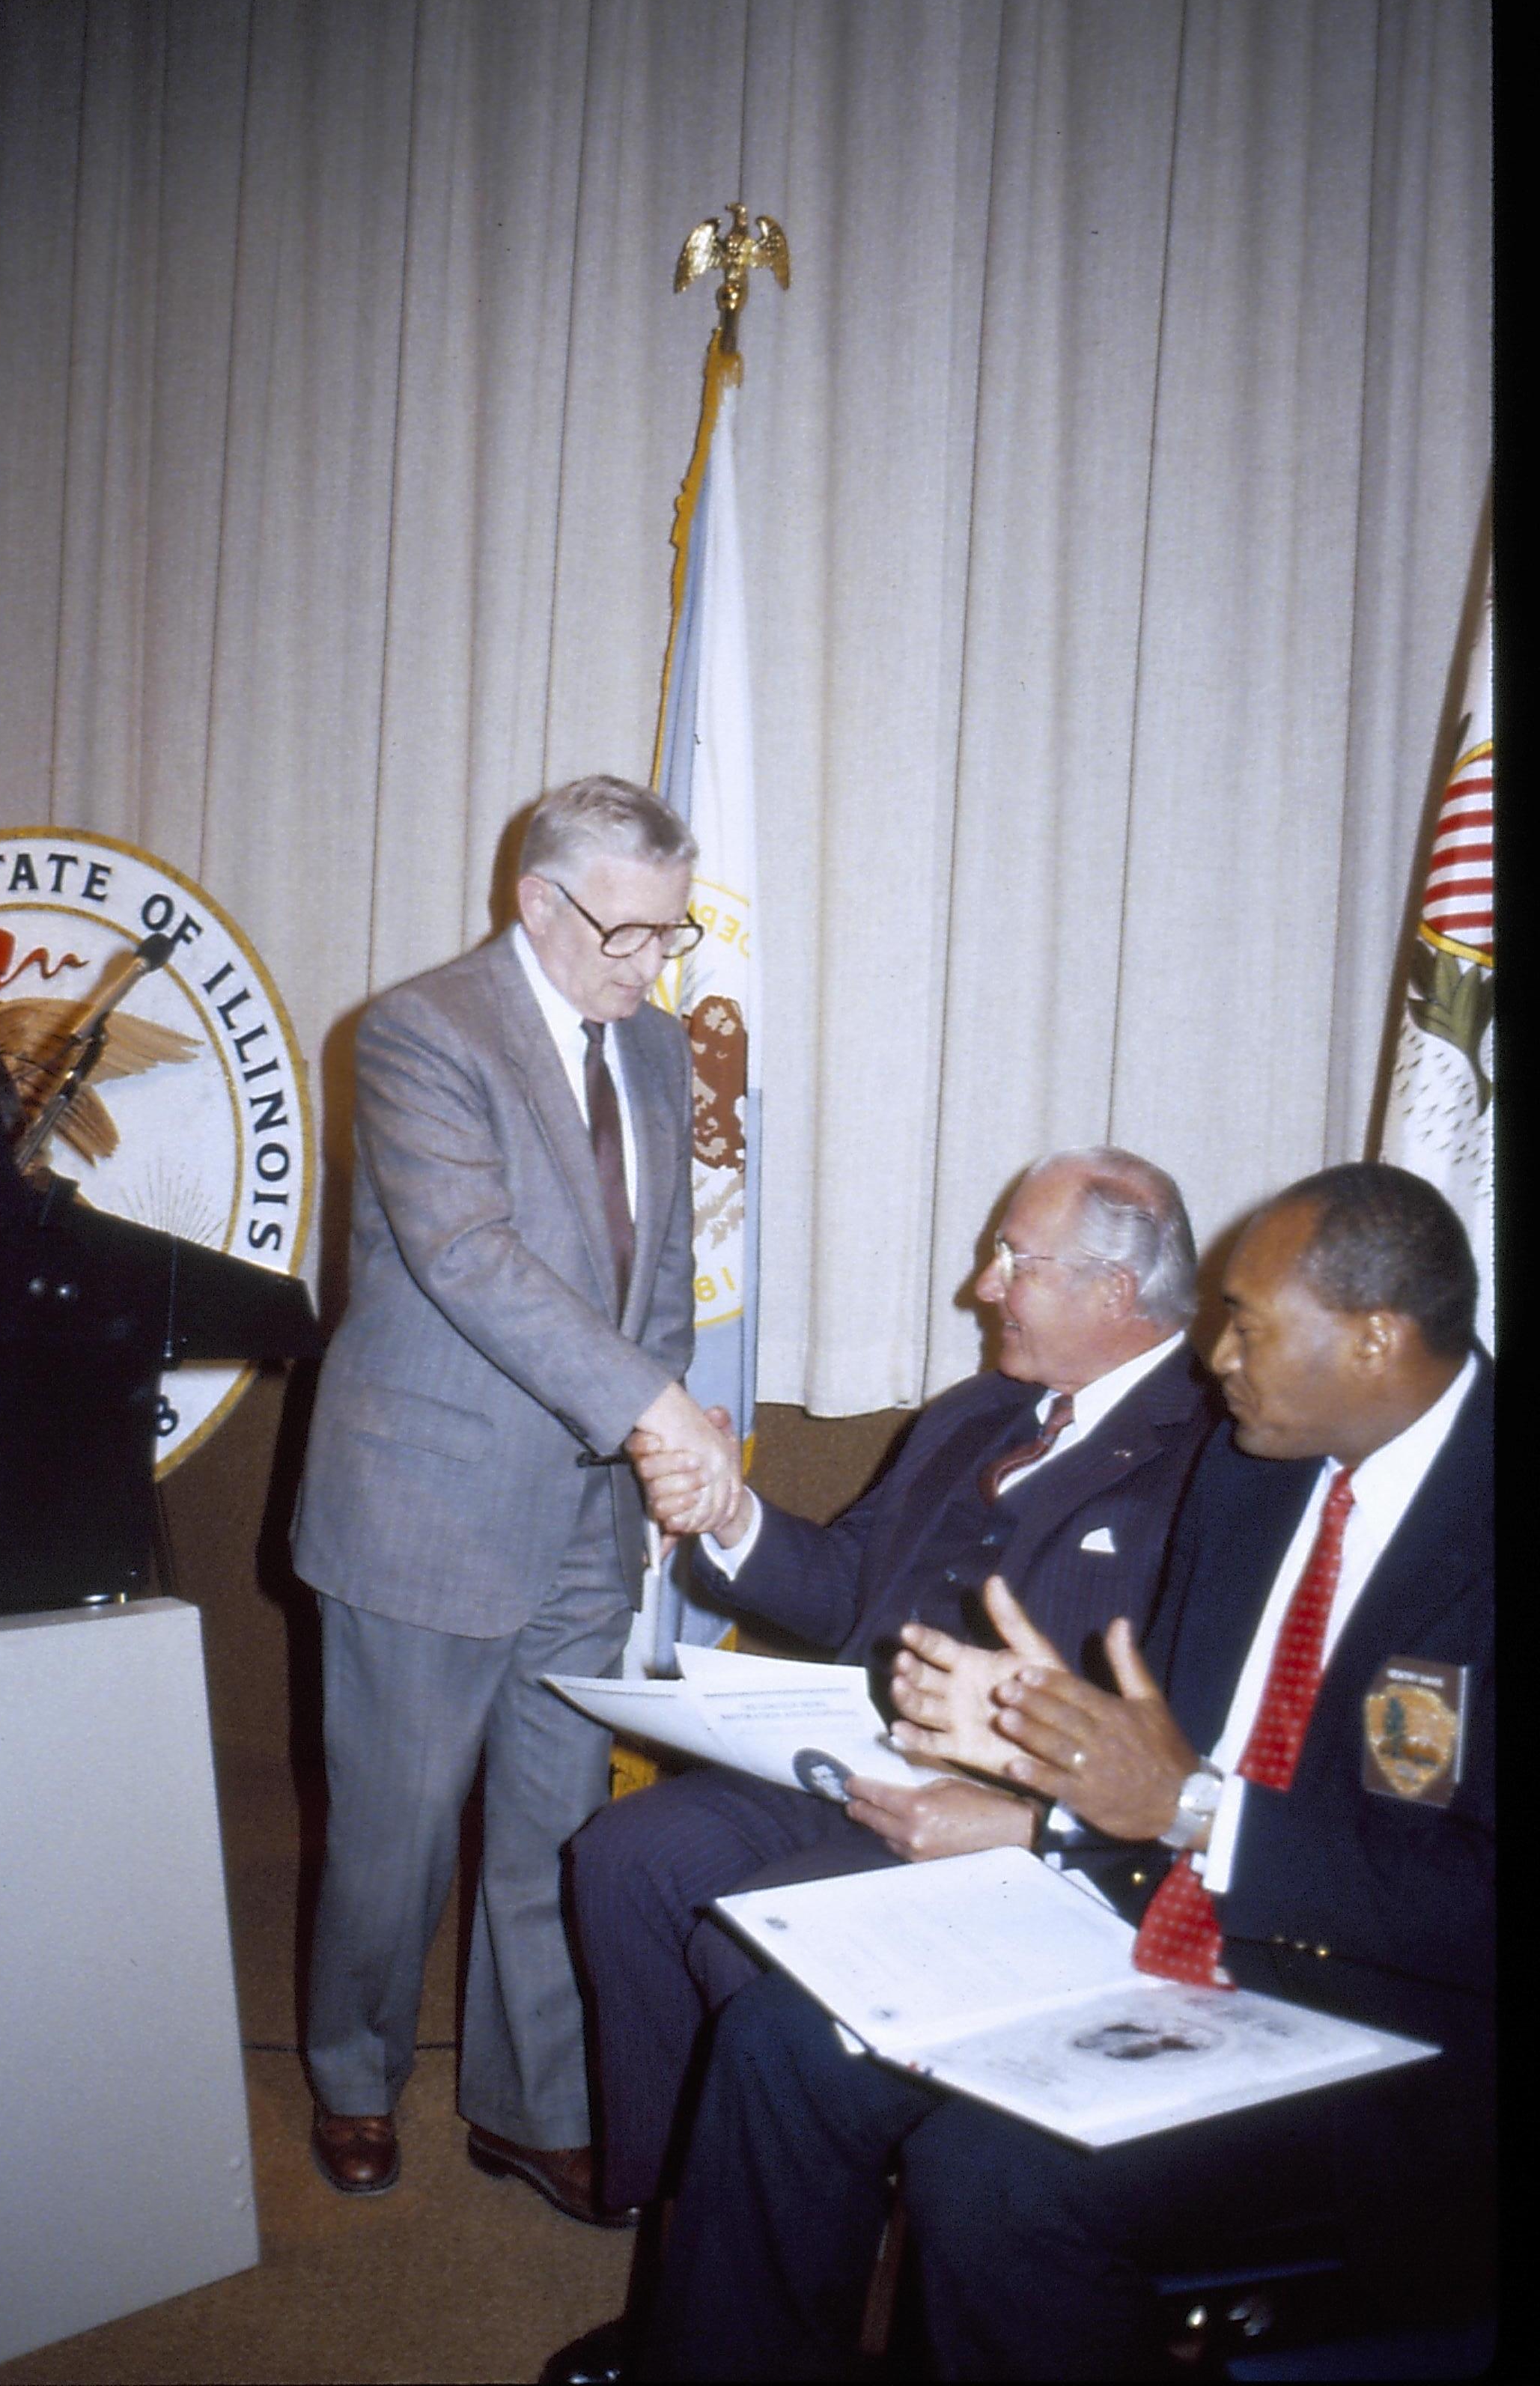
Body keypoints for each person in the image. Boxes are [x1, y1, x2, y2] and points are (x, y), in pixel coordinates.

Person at [619, 1163, 1492, 2381]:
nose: (1216, 1353)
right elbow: (1160, 1750)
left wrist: (1192, 1814)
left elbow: (1464, 1899)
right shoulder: (1255, 1471)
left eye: (1245, 1321)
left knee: (995, 2181)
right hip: (1153, 1924)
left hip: (1390, 2030)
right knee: (781, 2039)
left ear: (1374, 1338)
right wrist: (1029, 1747)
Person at [568, 1148, 1221, 2215]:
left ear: (1117, 1292)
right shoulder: (975, 1412)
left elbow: (1184, 1712)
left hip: (1007, 1816)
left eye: (1017, 1261)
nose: (984, 1287)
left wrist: (1025, 1800)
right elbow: (845, 1592)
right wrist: (732, 1514)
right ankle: (673, 2202)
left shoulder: (1213, 1454)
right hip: (847, 1758)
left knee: (752, 1934)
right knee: (628, 1856)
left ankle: (792, 2224)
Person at [290, 776, 739, 2221]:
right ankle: (354, 2080)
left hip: (583, 1516)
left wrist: (657, 1433)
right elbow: (472, 1255)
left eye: (671, 936)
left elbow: (658, 1271)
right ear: (537, 902)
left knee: (557, 1830)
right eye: (627, 933)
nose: (650, 964)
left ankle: (528, 2104)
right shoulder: (422, 1032)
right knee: (398, 1830)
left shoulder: (659, 1048)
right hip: (424, 1504)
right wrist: (652, 1405)